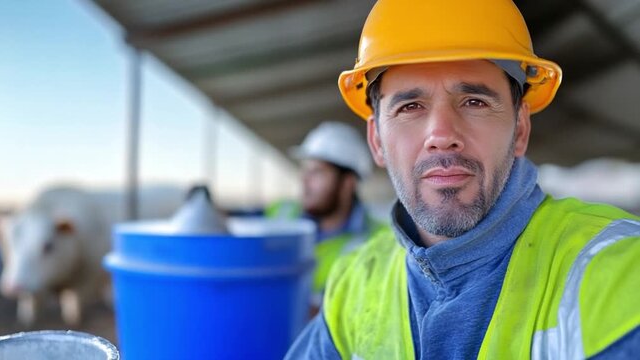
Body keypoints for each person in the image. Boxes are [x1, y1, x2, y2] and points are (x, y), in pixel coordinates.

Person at [285, 0, 640, 358]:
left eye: (474, 102)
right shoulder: (353, 286)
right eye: (410, 107)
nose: (441, 133)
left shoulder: (621, 274)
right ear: (377, 141)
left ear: (520, 129)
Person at [268, 121, 384, 311]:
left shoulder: (379, 241)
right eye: (304, 171)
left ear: (348, 183)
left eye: (317, 172)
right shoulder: (281, 213)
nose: (304, 181)